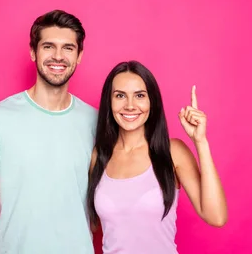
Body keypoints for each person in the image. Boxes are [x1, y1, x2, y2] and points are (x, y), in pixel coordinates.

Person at [0, 9, 97, 254]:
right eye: (48, 46)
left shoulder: (95, 121)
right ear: (32, 52)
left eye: (68, 48)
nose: (58, 56)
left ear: (79, 55)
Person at [87, 60, 228, 253]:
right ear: (109, 102)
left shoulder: (173, 152)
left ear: (151, 101)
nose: (130, 105)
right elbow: (91, 224)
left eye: (139, 95)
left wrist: (200, 141)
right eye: (120, 95)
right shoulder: (99, 155)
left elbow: (216, 216)